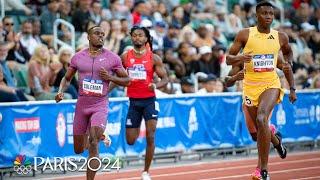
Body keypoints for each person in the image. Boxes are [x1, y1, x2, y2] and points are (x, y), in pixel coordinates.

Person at [225, 1, 297, 179]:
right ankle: (276, 140)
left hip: (271, 84)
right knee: (257, 135)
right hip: (250, 88)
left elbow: (288, 55)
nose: (268, 17)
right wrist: (237, 68)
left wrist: (292, 87)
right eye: (264, 13)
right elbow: (228, 61)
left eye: (271, 14)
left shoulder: (280, 37)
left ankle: (262, 170)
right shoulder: (245, 35)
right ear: (256, 16)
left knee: (262, 117)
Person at [55, 26, 130, 180]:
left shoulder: (113, 58)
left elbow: (127, 80)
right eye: (97, 34)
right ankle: (98, 133)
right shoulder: (77, 57)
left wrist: (111, 79)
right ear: (88, 37)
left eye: (103, 34)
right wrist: (60, 90)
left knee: (93, 143)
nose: (101, 36)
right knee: (78, 149)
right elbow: (67, 78)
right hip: (82, 105)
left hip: (100, 104)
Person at [121, 26, 168, 180]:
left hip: (149, 101)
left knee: (150, 135)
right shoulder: (125, 57)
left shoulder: (153, 58)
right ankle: (144, 150)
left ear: (146, 38)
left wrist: (156, 85)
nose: (137, 38)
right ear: (131, 38)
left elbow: (166, 79)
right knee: (130, 140)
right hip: (133, 102)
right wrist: (106, 90)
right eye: (134, 35)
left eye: (140, 35)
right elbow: (118, 76)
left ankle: (146, 171)